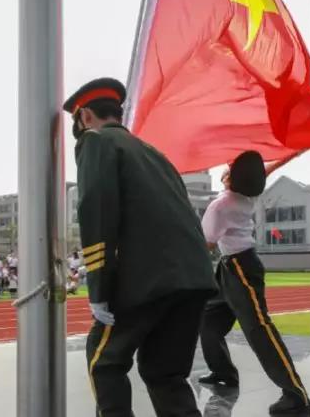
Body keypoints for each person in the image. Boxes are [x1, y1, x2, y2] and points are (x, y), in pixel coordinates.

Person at [64, 77, 217, 417]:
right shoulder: (154, 153)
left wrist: (99, 289)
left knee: (105, 361)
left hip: (147, 276)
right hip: (193, 277)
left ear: (85, 116)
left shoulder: (95, 141)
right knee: (167, 375)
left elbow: (97, 209)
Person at [198, 150, 310, 415]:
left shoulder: (221, 206)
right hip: (231, 267)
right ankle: (223, 372)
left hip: (240, 269)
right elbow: (267, 169)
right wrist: (293, 152)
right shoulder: (247, 193)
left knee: (259, 329)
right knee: (209, 322)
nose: (226, 166)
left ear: (232, 177)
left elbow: (206, 244)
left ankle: (295, 393)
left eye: (231, 166)